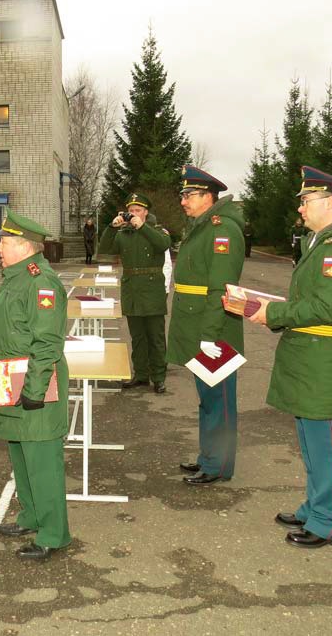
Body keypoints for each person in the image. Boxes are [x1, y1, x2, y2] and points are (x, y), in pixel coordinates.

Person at [249, 166, 332, 548]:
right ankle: (315, 506)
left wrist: (274, 314)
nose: (300, 209)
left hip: (324, 359)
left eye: (306, 201)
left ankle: (329, 522)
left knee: (327, 444)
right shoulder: (320, 243)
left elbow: (327, 307)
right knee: (310, 439)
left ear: (330, 203)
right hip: (311, 356)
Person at [0, 208, 71, 560]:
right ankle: (31, 515)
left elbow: (48, 342)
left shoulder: (41, 283)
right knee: (21, 452)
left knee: (42, 460)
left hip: (32, 381)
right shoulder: (15, 278)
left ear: (24, 247)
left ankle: (53, 534)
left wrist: (35, 391)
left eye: (3, 243)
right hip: (11, 377)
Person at [167, 166, 245, 485]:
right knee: (207, 397)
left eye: (190, 195)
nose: (184, 201)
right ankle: (208, 457)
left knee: (219, 400)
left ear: (209, 197)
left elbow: (221, 287)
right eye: (183, 194)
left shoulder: (222, 228)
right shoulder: (201, 226)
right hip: (197, 324)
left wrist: (210, 334)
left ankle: (218, 466)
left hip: (214, 329)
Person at [97, 193, 171, 394]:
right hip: (132, 290)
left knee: (155, 337)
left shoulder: (157, 230)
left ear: (146, 212)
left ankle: (158, 377)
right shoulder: (123, 234)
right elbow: (103, 252)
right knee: (137, 336)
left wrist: (142, 226)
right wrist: (111, 228)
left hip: (152, 289)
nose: (133, 214)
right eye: (131, 211)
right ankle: (140, 375)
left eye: (138, 210)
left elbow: (163, 244)